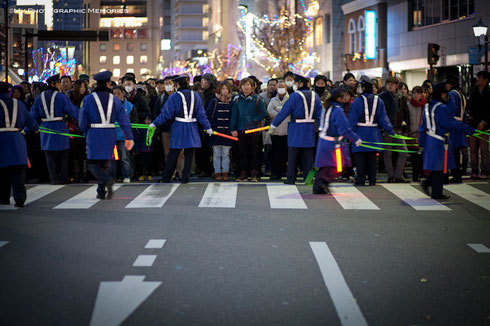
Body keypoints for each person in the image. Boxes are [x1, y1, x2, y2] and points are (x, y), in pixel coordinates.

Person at [79, 71, 134, 199]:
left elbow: (82, 120)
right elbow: (123, 120)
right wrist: (129, 136)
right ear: (108, 83)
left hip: (94, 132)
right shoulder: (114, 100)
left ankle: (105, 180)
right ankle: (101, 190)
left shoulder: (88, 99)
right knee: (104, 162)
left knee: (92, 163)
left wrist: (85, 131)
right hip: (110, 133)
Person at [150, 75, 213, 184]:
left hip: (179, 126)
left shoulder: (174, 96)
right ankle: (185, 177)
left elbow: (166, 114)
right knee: (189, 154)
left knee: (173, 153)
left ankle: (166, 177)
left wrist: (155, 123)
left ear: (177, 85)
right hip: (192, 127)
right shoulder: (196, 96)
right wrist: (207, 127)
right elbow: (201, 114)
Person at [419, 82, 475, 199]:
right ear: (441, 94)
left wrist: (421, 142)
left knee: (436, 167)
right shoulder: (441, 107)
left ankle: (429, 184)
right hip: (438, 140)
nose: (446, 96)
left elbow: (422, 126)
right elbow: (450, 123)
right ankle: (436, 192)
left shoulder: (427, 106)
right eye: (445, 94)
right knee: (439, 167)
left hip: (429, 139)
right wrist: (468, 129)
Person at [270, 74, 323, 184]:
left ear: (300, 84)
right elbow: (319, 114)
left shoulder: (294, 96)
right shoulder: (315, 96)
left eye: (295, 83)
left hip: (296, 128)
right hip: (309, 128)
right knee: (308, 156)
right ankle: (308, 179)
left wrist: (274, 125)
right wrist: (322, 128)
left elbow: (284, 112)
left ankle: (291, 178)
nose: (294, 85)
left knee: (293, 156)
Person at [30, 74, 79, 184]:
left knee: (49, 156)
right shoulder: (61, 96)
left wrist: (30, 128)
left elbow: (33, 115)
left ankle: (53, 178)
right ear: (53, 84)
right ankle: (64, 178)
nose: (60, 85)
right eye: (58, 83)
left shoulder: (39, 97)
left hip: (46, 128)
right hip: (60, 126)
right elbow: (72, 111)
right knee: (63, 155)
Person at [313, 88, 362, 194]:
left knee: (326, 165)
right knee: (336, 166)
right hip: (333, 144)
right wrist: (355, 139)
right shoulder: (337, 110)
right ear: (339, 98)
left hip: (323, 141)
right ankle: (321, 185)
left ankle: (320, 185)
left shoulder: (326, 108)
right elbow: (344, 129)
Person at [348, 75, 395, 186]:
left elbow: (352, 120)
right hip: (374, 133)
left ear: (363, 88)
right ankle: (372, 180)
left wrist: (349, 134)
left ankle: (361, 179)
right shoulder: (379, 101)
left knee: (360, 158)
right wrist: (391, 131)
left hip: (360, 133)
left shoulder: (357, 101)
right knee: (372, 159)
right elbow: (383, 118)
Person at [0, 82, 38, 207]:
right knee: (18, 171)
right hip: (17, 139)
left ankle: (3, 198)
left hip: (1, 139)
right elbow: (31, 122)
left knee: (3, 172)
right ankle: (20, 198)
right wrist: (34, 128)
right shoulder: (19, 104)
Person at [230, 78, 268, 182]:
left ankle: (254, 173)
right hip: (241, 130)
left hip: (254, 130)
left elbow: (264, 113)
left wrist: (255, 119)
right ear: (240, 87)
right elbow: (234, 115)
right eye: (244, 85)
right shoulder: (237, 100)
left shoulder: (258, 99)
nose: (246, 87)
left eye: (248, 85)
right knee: (242, 152)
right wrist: (232, 129)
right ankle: (243, 173)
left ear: (252, 86)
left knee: (254, 152)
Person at [379, 76, 410, 183]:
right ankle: (391, 175)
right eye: (388, 84)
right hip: (387, 129)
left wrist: (406, 128)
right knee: (387, 153)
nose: (390, 86)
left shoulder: (401, 97)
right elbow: (380, 114)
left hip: (398, 128)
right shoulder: (382, 97)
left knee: (403, 152)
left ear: (396, 85)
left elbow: (405, 113)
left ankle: (398, 175)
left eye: (392, 84)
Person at [207, 82, 234, 181]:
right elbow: (208, 115)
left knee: (226, 154)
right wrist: (210, 128)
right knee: (216, 154)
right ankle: (217, 172)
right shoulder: (214, 101)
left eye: (227, 89)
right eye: (223, 89)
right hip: (215, 133)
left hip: (227, 133)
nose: (225, 91)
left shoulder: (232, 102)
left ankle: (225, 172)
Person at [466, 70, 490, 179]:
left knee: (484, 150)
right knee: (473, 150)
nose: (478, 80)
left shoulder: (489, 92)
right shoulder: (474, 92)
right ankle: (474, 171)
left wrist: (484, 122)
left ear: (485, 80)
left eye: (480, 78)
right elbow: (469, 107)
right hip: (473, 125)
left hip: (485, 127)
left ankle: (485, 171)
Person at [446, 76, 469, 183]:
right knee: (457, 152)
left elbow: (450, 110)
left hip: (453, 126)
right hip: (460, 125)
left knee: (453, 152)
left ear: (450, 85)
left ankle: (455, 175)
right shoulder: (461, 94)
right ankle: (457, 174)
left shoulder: (451, 94)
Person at [67, 80, 90, 183]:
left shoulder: (88, 98)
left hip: (85, 129)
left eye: (84, 87)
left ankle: (85, 174)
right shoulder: (70, 98)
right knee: (74, 153)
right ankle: (76, 174)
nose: (82, 89)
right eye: (80, 87)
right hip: (73, 129)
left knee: (84, 153)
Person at [109, 86, 133, 183]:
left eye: (118, 93)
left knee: (124, 157)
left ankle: (126, 176)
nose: (116, 95)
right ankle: (111, 177)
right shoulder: (108, 106)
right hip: (111, 136)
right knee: (112, 158)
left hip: (124, 137)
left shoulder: (129, 106)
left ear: (123, 94)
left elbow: (133, 120)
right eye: (114, 93)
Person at [196, 73, 217, 178]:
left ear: (209, 82)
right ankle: (203, 168)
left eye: (203, 80)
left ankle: (210, 169)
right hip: (201, 125)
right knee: (202, 149)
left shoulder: (213, 95)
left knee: (210, 149)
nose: (201, 82)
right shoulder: (201, 94)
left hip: (210, 125)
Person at [267, 80, 290, 180]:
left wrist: (279, 111)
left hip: (287, 131)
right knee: (275, 153)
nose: (281, 88)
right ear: (276, 88)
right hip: (275, 131)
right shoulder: (272, 100)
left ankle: (285, 171)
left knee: (286, 153)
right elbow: (270, 111)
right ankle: (275, 172)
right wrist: (282, 115)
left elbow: (291, 112)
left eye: (283, 86)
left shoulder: (290, 99)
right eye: (279, 86)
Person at [407, 86, 426, 181]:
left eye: (418, 93)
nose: (416, 95)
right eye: (414, 93)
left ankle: (420, 173)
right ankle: (415, 175)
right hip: (411, 134)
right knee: (414, 156)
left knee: (420, 155)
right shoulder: (408, 105)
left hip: (421, 134)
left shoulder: (425, 106)